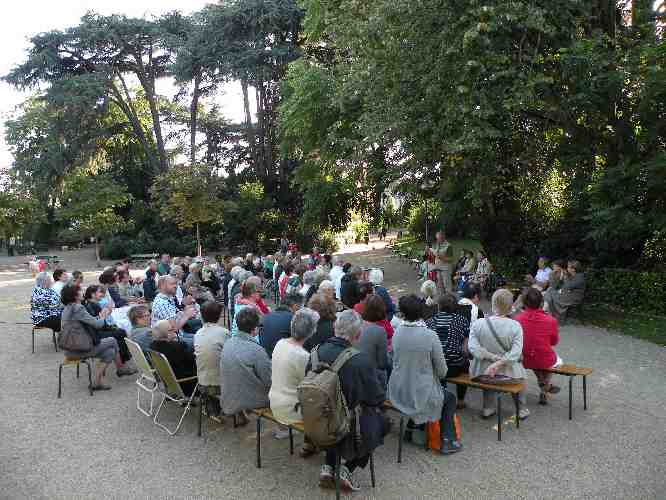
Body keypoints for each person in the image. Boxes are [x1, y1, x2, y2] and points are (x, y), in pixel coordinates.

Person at [312, 310, 387, 492]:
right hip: (346, 424)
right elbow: (376, 397)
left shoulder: (315, 352)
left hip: (319, 418)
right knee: (382, 423)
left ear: (335, 328)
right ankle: (348, 467)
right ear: (358, 334)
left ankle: (328, 466)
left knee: (334, 412)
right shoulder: (360, 360)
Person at [388, 295, 462, 455]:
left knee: (427, 391)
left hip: (398, 389)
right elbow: (443, 372)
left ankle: (412, 428)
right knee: (449, 398)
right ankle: (447, 440)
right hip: (419, 391)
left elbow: (394, 359)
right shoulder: (430, 336)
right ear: (422, 312)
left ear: (403, 313)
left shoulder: (397, 332)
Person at [469, 289, 529, 419]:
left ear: (492, 304)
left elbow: (473, 348)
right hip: (508, 375)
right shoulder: (515, 326)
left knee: (488, 371)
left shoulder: (478, 323)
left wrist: (492, 359)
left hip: (481, 375)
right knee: (520, 373)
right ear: (510, 307)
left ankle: (488, 408)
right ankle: (521, 409)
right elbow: (516, 353)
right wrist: (499, 361)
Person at [270, 308, 319, 441]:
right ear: (312, 331)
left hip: (274, 402)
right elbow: (311, 388)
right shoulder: (304, 356)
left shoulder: (280, 343)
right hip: (291, 410)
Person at [59, 284, 119, 391]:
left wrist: (99, 318)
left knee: (109, 352)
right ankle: (121, 368)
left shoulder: (67, 308)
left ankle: (97, 382)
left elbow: (89, 321)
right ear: (75, 295)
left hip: (69, 349)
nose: (83, 292)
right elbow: (97, 325)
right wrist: (103, 317)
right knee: (113, 340)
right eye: (80, 291)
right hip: (80, 349)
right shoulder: (78, 308)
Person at [219, 307, 272, 417]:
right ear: (254, 329)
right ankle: (283, 430)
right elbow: (268, 381)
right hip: (250, 400)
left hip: (229, 397)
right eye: (259, 326)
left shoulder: (228, 342)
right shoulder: (257, 350)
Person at [515, 288, 562, 405]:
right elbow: (554, 342)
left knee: (535, 355)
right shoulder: (551, 320)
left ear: (524, 303)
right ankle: (544, 387)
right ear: (541, 303)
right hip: (541, 359)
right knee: (550, 359)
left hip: (522, 358)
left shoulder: (517, 319)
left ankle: (542, 383)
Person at [426, 293, 471, 408]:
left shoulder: (429, 322)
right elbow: (465, 348)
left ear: (439, 306)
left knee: (439, 359)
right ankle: (460, 400)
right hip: (454, 367)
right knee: (464, 361)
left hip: (434, 366)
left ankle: (441, 393)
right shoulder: (462, 320)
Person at [83, 285, 136, 376]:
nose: (102, 294)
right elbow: (96, 324)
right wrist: (104, 317)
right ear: (92, 294)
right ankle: (124, 363)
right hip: (95, 335)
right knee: (120, 333)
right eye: (100, 292)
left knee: (119, 334)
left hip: (98, 331)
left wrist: (108, 321)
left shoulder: (93, 304)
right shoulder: (90, 306)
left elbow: (101, 321)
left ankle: (122, 366)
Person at [194, 301, 231, 419]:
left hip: (202, 383)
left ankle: (214, 406)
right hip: (220, 385)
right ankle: (238, 409)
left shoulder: (198, 333)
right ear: (219, 316)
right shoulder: (224, 332)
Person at [150, 320, 197, 396]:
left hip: (170, 383)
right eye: (172, 329)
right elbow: (194, 362)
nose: (174, 331)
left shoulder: (152, 346)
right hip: (187, 384)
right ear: (168, 332)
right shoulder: (178, 347)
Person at [151, 276, 198, 348]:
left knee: (202, 336)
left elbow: (175, 319)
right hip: (170, 341)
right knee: (202, 341)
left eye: (176, 284)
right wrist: (186, 315)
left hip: (179, 334)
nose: (176, 286)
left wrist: (184, 308)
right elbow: (173, 329)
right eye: (172, 284)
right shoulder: (162, 303)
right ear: (162, 286)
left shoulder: (167, 298)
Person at [359, 295, 390, 387]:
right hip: (373, 375)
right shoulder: (379, 331)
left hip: (358, 371)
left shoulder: (357, 324)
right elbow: (382, 363)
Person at [260, 293, 303, 357]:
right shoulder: (293, 319)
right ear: (295, 306)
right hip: (280, 359)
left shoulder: (267, 316)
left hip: (265, 356)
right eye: (300, 307)